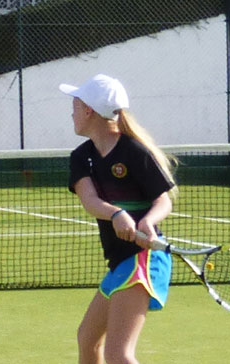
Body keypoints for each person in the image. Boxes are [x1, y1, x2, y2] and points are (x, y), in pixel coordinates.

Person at [61, 74, 177, 364]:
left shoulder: (134, 152)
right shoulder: (81, 157)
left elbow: (163, 200)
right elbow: (90, 200)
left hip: (143, 257)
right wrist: (116, 213)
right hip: (119, 262)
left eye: (75, 105)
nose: (71, 112)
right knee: (88, 340)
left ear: (88, 110)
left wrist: (148, 222)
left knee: (119, 354)